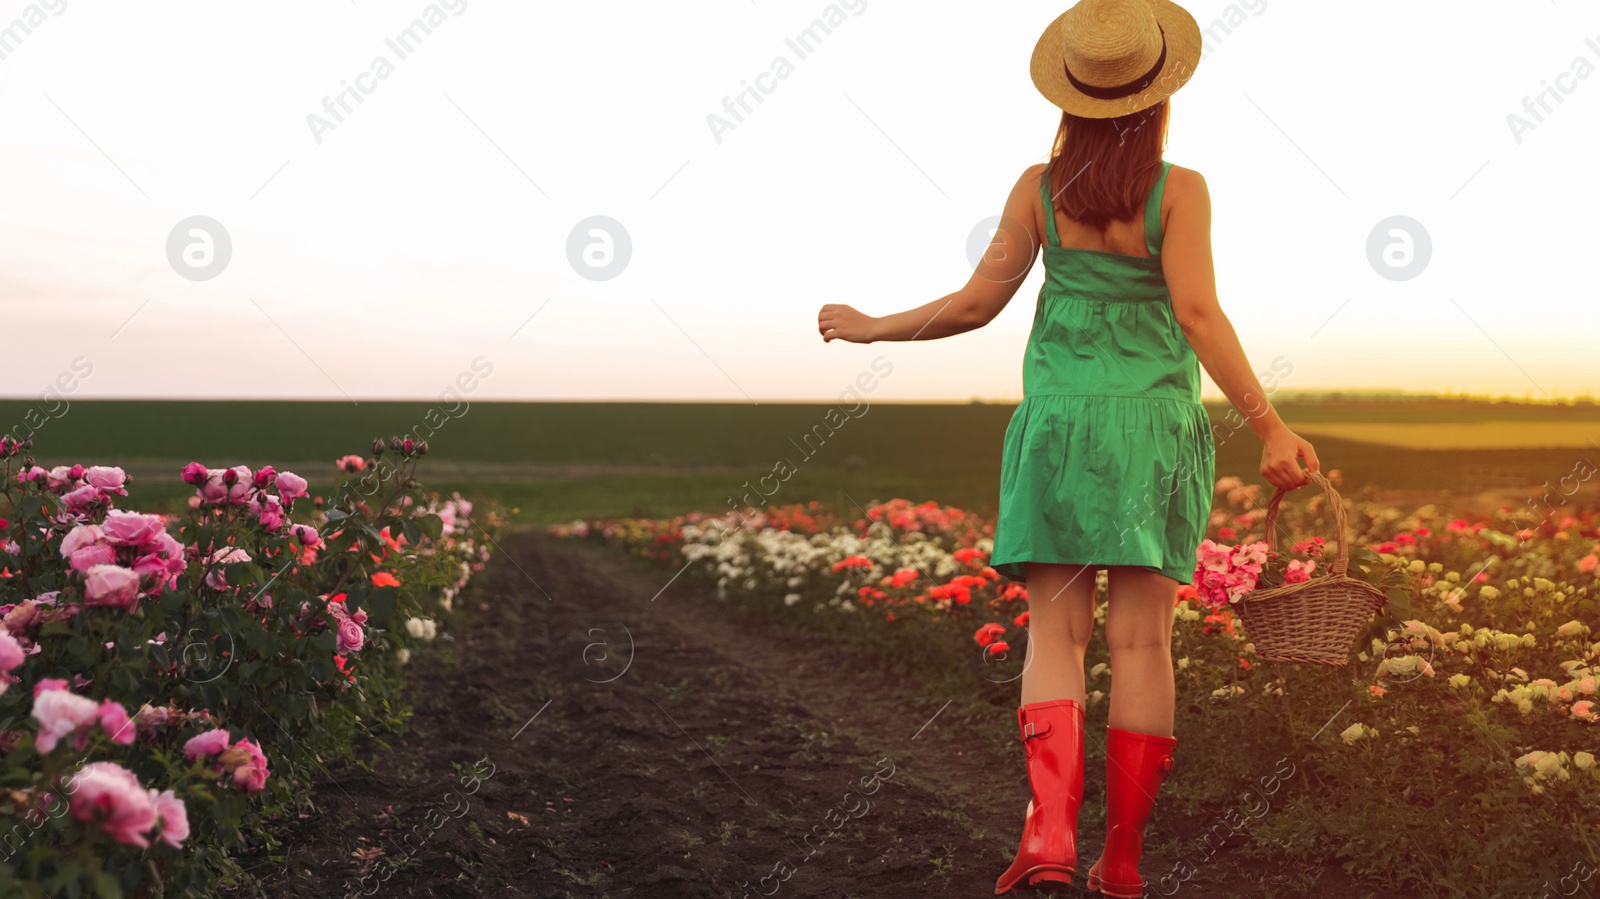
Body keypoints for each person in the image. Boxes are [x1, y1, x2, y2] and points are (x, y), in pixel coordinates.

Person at [817, 0, 1321, 894]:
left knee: (1054, 635)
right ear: (1158, 93)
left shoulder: (1037, 189)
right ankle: (1119, 862)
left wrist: (873, 329)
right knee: (1141, 643)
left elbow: (976, 303)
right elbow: (1198, 314)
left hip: (1057, 424)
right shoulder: (1182, 188)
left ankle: (1047, 835)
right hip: (1153, 429)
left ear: (1071, 95)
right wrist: (1271, 424)